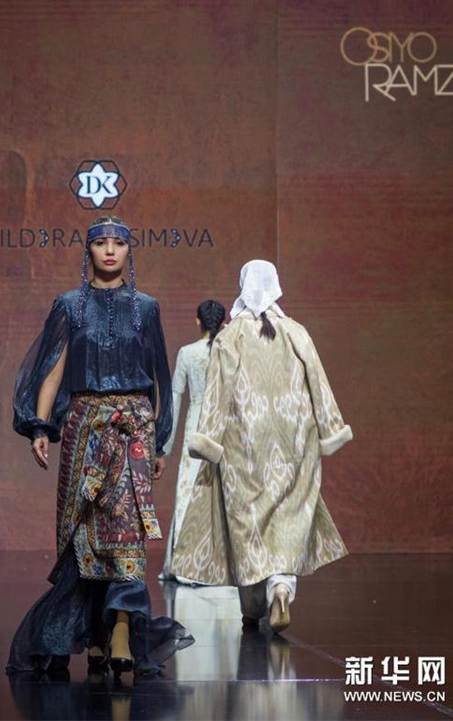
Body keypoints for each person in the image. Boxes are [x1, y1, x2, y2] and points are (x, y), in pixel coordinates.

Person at [6, 215, 193, 678]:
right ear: (88, 250)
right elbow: (53, 368)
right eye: (101, 243)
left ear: (129, 251)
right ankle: (93, 632)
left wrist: (159, 440)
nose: (110, 251)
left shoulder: (146, 308)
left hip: (132, 429)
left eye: (119, 243)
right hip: (84, 427)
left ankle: (123, 630)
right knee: (82, 535)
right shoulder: (68, 306)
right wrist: (40, 427)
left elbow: (158, 377)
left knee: (127, 530)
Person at [171, 260, 352, 632]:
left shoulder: (231, 336)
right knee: (289, 516)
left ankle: (253, 607)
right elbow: (319, 383)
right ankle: (281, 587)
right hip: (295, 437)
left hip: (245, 440)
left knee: (248, 521)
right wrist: (330, 428)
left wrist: (209, 439)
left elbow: (217, 393)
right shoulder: (296, 332)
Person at [159, 300, 226, 582]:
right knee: (221, 490)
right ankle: (218, 564)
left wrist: (164, 446)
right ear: (223, 323)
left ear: (197, 320)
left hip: (196, 423)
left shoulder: (187, 353)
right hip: (222, 424)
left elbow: (175, 399)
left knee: (189, 487)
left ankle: (184, 564)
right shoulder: (229, 351)